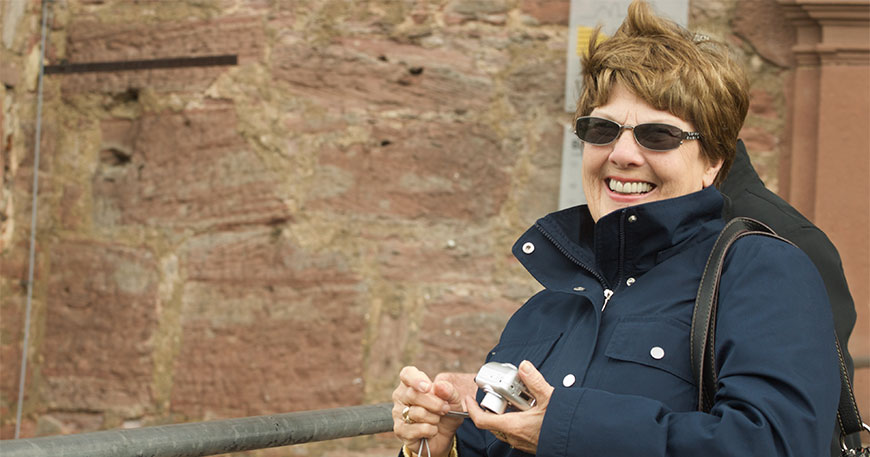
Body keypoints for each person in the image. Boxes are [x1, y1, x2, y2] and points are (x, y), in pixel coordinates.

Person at [390, 1, 841, 456]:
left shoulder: (761, 270)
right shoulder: (546, 307)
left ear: (713, 161)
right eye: (602, 129)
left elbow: (779, 445)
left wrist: (566, 427)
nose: (622, 153)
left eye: (658, 135)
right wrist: (438, 439)